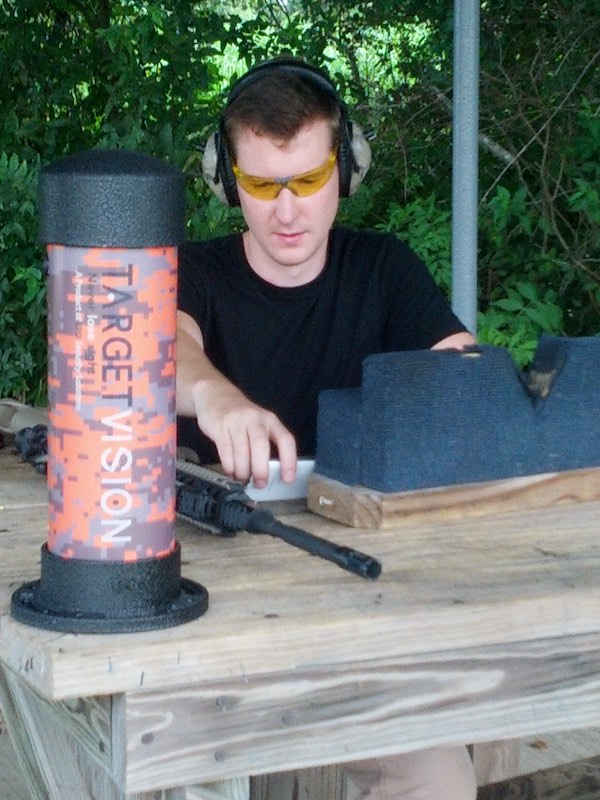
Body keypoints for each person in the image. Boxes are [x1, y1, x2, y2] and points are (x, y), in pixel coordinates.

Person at [176, 56, 477, 800]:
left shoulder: (384, 269)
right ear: (227, 180)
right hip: (212, 606)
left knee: (438, 781)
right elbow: (160, 345)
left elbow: (464, 382)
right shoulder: (195, 272)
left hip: (364, 602)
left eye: (308, 180)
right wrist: (214, 396)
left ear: (346, 169)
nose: (287, 209)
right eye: (262, 184)